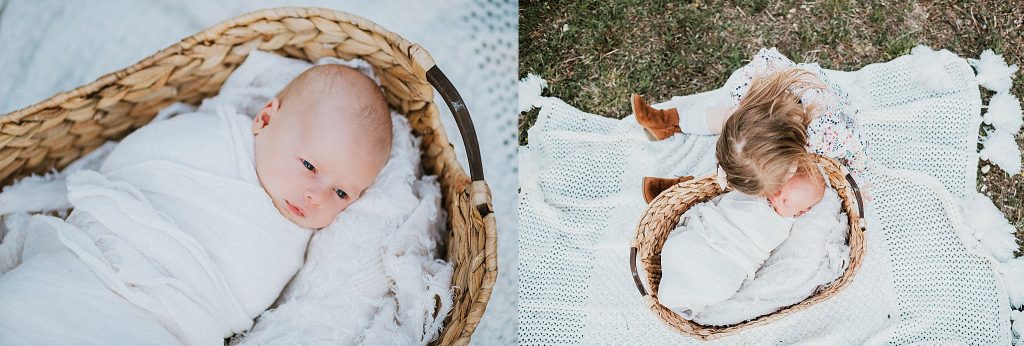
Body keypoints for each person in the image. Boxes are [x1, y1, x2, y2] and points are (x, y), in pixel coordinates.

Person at [634, 48, 872, 208]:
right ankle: (668, 121)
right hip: (766, 108)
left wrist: (858, 187)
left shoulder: (831, 136)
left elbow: (857, 155)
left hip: (811, 108)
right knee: (733, 144)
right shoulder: (751, 90)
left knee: (755, 181)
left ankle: (688, 188)